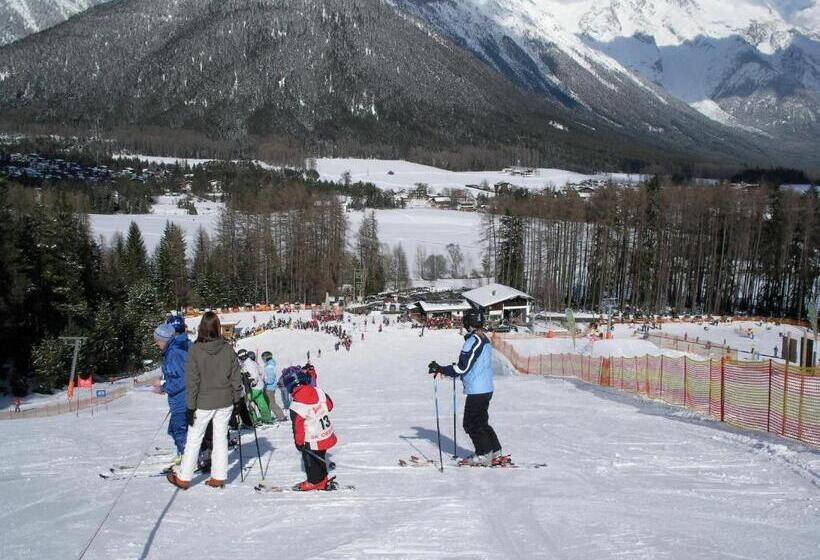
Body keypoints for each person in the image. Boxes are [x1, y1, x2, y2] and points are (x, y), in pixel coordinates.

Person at [167, 312, 244, 490]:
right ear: (218, 328)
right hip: (224, 401)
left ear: (201, 327)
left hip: (203, 402)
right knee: (220, 438)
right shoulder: (227, 348)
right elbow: (236, 376)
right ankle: (218, 476)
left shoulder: (195, 350)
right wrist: (237, 399)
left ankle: (184, 477)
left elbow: (192, 382)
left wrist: (190, 406)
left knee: (194, 439)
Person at [428, 309, 504, 467]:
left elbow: (463, 368)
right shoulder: (484, 338)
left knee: (471, 423)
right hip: (484, 388)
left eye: (465, 321)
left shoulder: (473, 341)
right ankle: (494, 450)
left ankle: (484, 454)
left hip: (477, 389)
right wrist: (448, 370)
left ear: (469, 323)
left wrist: (441, 369)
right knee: (481, 422)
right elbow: (472, 366)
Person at [281, 366, 337, 491]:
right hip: (326, 433)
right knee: (320, 455)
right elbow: (330, 406)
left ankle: (314, 481)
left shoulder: (297, 405)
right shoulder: (318, 391)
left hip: (313, 438)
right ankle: (322, 478)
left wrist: (299, 443)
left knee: (310, 459)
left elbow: (298, 427)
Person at [154, 322, 190, 465]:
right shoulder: (171, 351)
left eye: (157, 341)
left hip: (182, 399)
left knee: (179, 431)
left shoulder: (174, 353)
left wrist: (163, 387)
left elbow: (182, 379)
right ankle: (186, 456)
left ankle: (190, 459)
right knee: (174, 430)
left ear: (164, 339)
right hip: (178, 400)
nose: (156, 344)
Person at [237, 349, 273, 425]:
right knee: (262, 403)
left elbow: (254, 376)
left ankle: (253, 420)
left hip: (252, 388)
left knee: (247, 403)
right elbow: (261, 372)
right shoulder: (253, 362)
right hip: (259, 387)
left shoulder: (246, 364)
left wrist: (251, 380)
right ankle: (267, 419)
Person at [261, 351, 287, 421]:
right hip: (269, 387)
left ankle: (281, 416)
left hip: (269, 388)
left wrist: (263, 380)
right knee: (268, 403)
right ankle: (268, 417)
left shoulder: (269, 366)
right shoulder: (269, 365)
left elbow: (270, 379)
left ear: (266, 357)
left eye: (263, 358)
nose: (263, 360)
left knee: (271, 403)